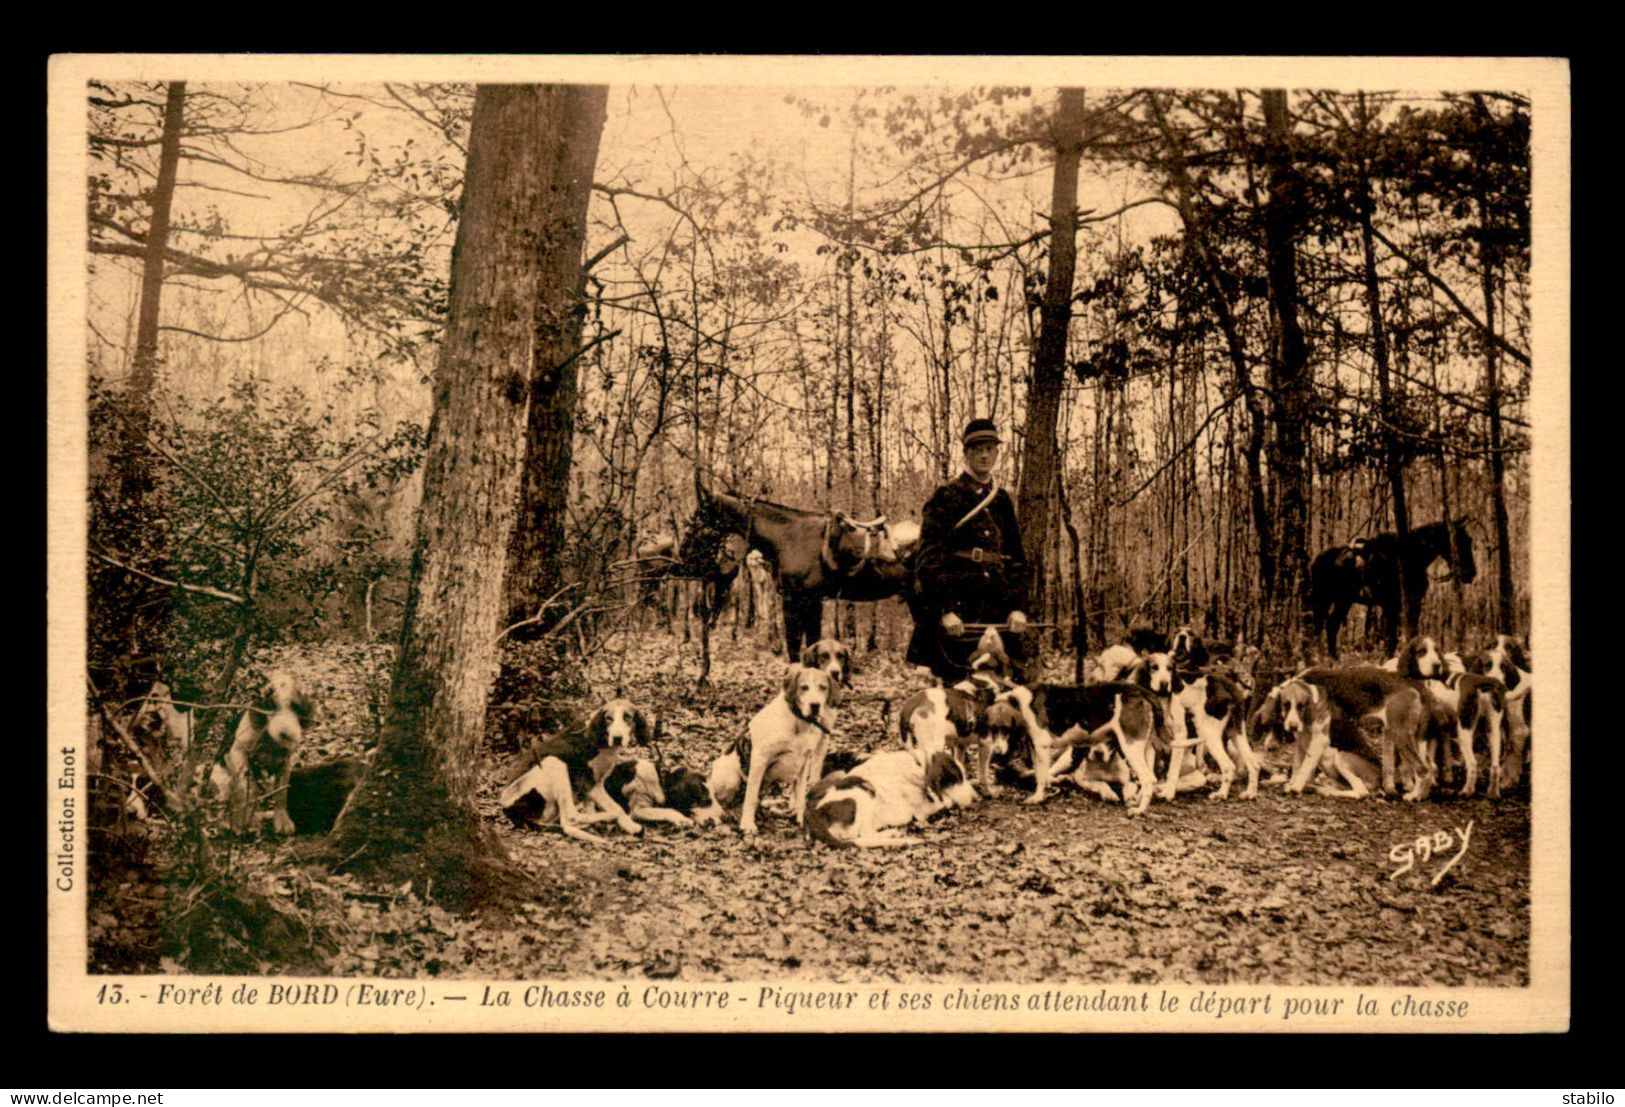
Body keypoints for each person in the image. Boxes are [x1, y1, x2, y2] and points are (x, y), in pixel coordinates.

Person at [905, 418, 1033, 682]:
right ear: (966, 454)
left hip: (998, 608)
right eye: (977, 449)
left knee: (1006, 689)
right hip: (958, 610)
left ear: (998, 453)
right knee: (956, 692)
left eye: (990, 448)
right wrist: (944, 611)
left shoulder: (1001, 500)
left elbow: (1016, 559)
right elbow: (927, 563)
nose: (984, 455)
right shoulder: (946, 497)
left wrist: (1018, 608)